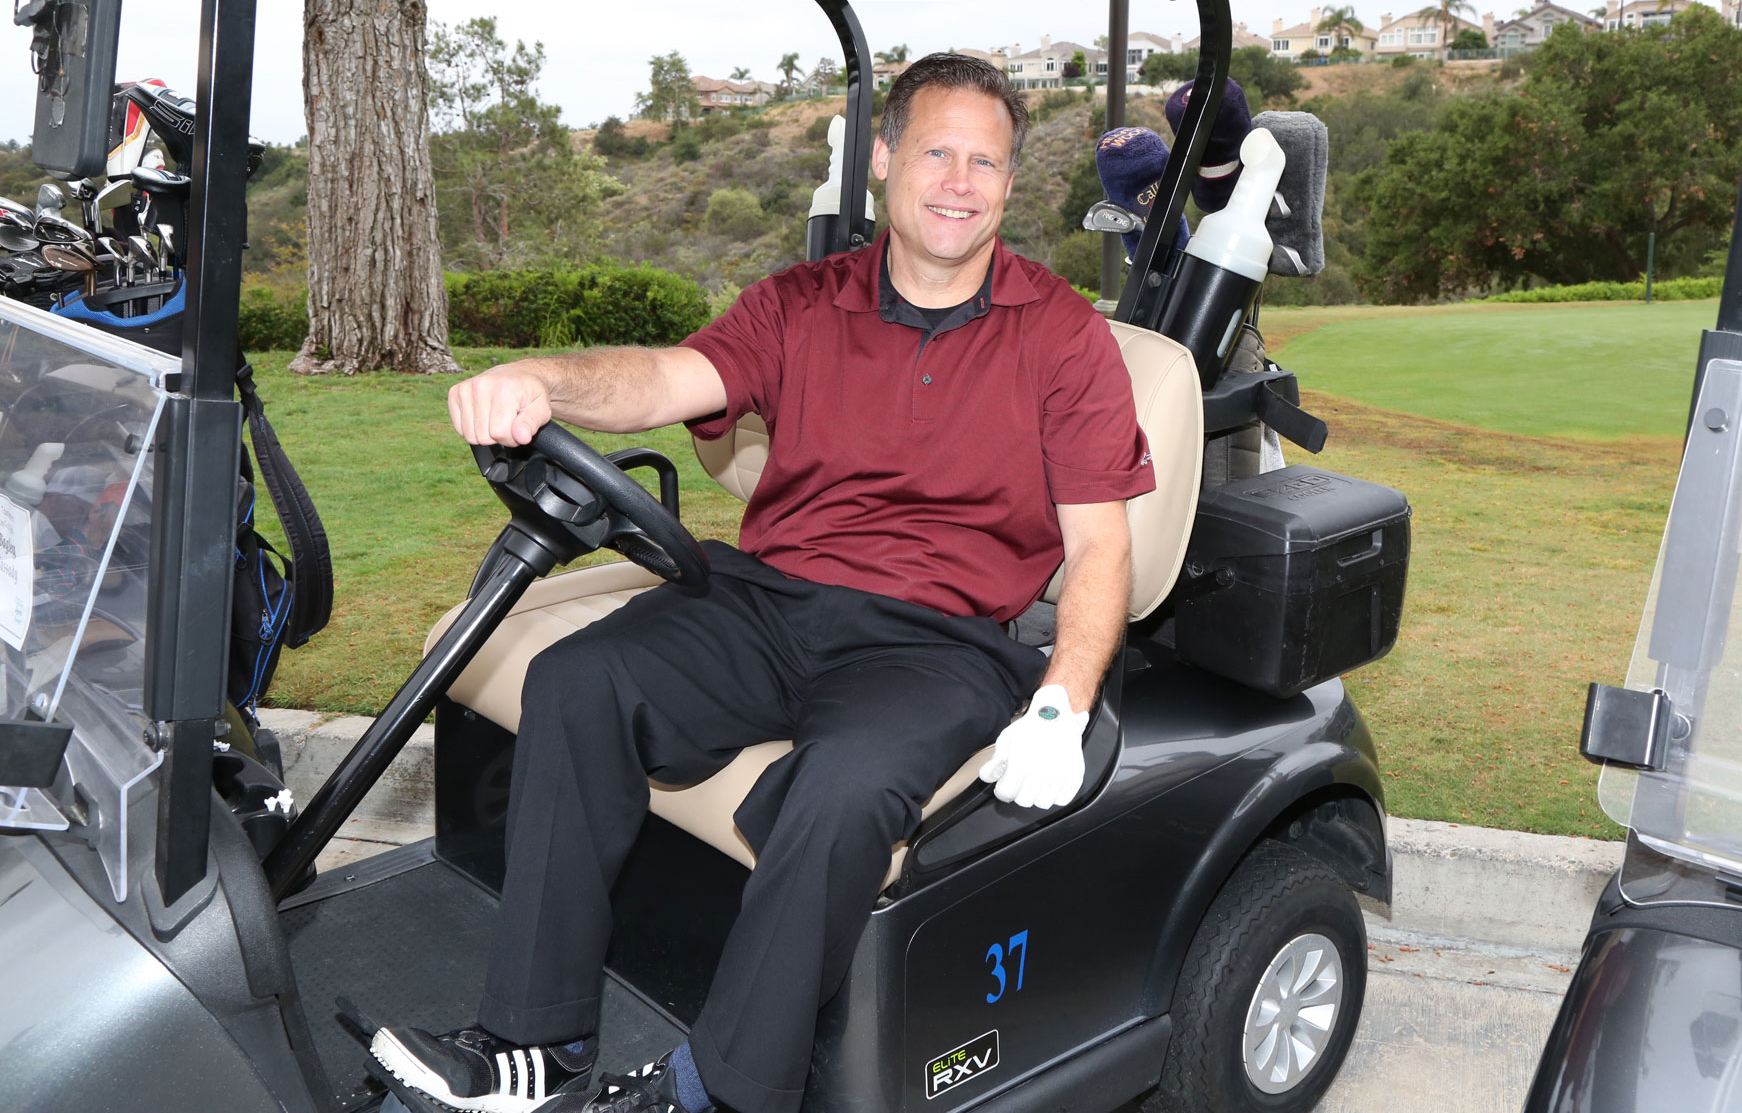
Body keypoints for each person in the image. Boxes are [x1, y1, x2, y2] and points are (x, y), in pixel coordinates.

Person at [368, 54, 1155, 1113]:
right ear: (884, 160)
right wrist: (543, 380)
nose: (960, 183)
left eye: (986, 162)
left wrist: (1063, 702)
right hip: (765, 601)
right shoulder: (801, 302)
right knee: (579, 679)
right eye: (937, 153)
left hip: (938, 642)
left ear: (1010, 183)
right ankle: (534, 1044)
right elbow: (665, 377)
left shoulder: (1062, 335)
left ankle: (721, 1092)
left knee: (842, 790)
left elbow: (1100, 546)